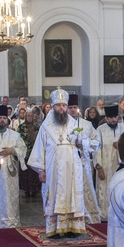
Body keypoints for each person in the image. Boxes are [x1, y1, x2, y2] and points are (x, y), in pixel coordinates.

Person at [27, 89, 87, 238]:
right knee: (54, 195)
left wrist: (81, 144)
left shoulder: (74, 124)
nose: (61, 108)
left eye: (64, 105)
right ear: (53, 107)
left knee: (72, 195)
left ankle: (72, 227)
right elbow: (39, 149)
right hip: (53, 169)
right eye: (58, 105)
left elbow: (84, 144)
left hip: (72, 169)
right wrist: (41, 170)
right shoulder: (46, 127)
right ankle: (54, 228)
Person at [68, 95, 101, 224]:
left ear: (78, 109)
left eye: (74, 107)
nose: (72, 110)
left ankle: (89, 218)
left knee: (85, 190)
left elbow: (97, 142)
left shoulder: (86, 125)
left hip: (83, 164)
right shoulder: (60, 125)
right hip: (68, 165)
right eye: (70, 107)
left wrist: (84, 143)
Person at [95, 106, 124, 221]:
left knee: (120, 190)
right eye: (111, 118)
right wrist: (99, 167)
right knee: (104, 191)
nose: (113, 120)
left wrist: (121, 145)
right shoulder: (100, 130)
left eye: (115, 117)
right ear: (106, 118)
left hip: (120, 167)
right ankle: (104, 217)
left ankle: (120, 216)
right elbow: (96, 149)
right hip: (105, 167)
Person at [17, 108, 42, 198]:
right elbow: (18, 139)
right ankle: (26, 191)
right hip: (25, 153)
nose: (30, 117)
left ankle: (34, 190)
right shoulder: (21, 127)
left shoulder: (37, 127)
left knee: (34, 173)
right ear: (25, 117)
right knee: (25, 173)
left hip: (34, 152)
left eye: (31, 116)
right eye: (28, 116)